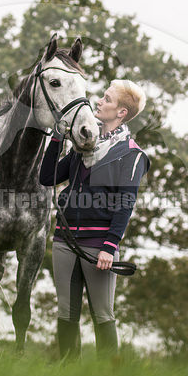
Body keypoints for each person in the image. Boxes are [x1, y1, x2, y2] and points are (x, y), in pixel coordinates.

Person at [39, 79, 150, 360]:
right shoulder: (83, 145)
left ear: (121, 112)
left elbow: (125, 204)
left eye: (107, 99)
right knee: (66, 313)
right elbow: (46, 176)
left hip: (98, 247)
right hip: (64, 241)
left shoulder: (132, 154)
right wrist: (56, 137)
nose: (99, 101)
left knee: (103, 314)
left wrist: (110, 246)